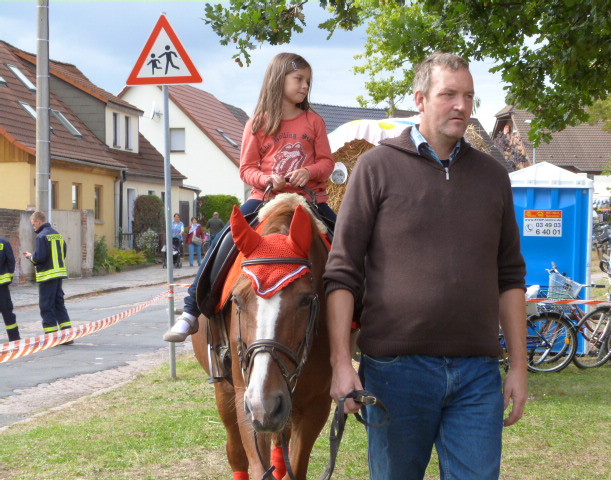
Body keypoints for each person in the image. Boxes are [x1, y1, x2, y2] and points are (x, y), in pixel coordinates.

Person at [323, 52, 528, 480]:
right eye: (448, 94)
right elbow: (341, 273)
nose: (461, 105)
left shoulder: (493, 176)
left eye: (468, 96)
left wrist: (521, 368)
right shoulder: (376, 167)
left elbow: (510, 278)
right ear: (420, 99)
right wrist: (342, 363)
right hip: (396, 372)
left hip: (477, 374)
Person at [164, 52, 336, 343]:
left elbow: (327, 163)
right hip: (265, 199)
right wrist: (267, 179)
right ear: (278, 79)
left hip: (310, 201)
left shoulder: (314, 121)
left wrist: (309, 172)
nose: (305, 86)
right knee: (223, 241)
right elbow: (246, 169)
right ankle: (191, 311)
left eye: (308, 81)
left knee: (350, 240)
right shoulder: (257, 123)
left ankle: (369, 315)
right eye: (298, 79)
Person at [23, 211, 73, 343]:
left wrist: (30, 257)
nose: (34, 227)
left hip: (47, 276)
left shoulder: (41, 237)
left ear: (38, 221)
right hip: (59, 274)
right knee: (59, 304)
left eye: (33, 224)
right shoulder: (58, 235)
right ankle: (67, 336)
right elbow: (64, 252)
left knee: (46, 305)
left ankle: (51, 337)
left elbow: (39, 258)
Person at [0, 237, 20, 342]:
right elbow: (11, 261)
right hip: (2, 286)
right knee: (7, 312)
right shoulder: (4, 243)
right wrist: (9, 278)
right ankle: (14, 337)